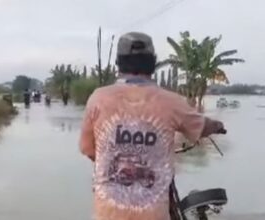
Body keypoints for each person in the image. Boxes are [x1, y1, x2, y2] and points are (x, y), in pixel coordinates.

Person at [79, 32, 225, 220]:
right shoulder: (171, 101)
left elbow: (88, 149)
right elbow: (202, 125)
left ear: (119, 63)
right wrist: (217, 125)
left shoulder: (98, 99)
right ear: (153, 63)